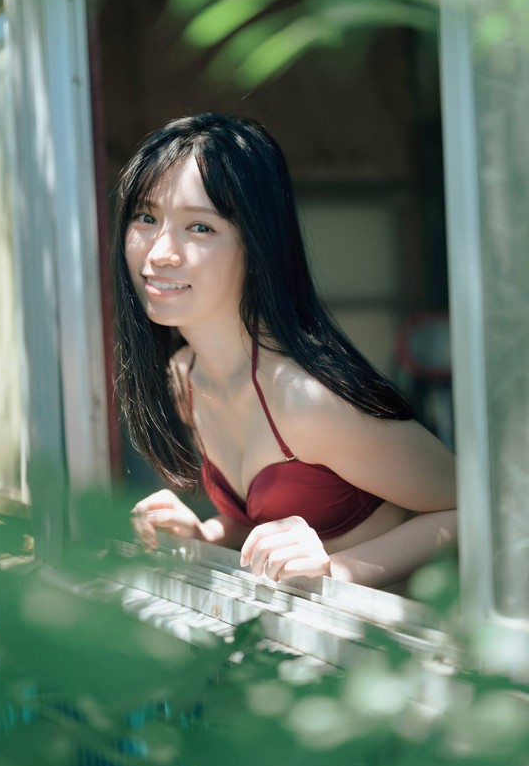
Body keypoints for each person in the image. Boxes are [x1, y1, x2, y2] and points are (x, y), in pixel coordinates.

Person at [112, 113, 457, 590]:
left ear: (256, 245)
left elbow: (483, 510)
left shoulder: (306, 399)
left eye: (200, 228)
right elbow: (263, 520)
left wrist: (335, 572)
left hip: (401, 649)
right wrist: (207, 533)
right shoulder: (185, 379)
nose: (159, 253)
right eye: (147, 218)